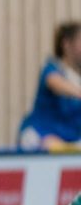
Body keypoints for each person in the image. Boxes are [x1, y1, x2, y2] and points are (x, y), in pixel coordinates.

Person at [19, 22, 81, 152]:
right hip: (42, 138)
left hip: (71, 142)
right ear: (66, 44)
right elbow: (55, 83)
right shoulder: (52, 68)